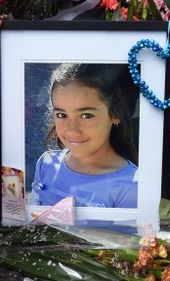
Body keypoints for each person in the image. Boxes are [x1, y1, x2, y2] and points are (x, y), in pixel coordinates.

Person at [30, 63, 139, 208]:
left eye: (86, 115)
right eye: (62, 115)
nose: (72, 130)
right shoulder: (46, 165)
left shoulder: (130, 185)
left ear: (115, 114)